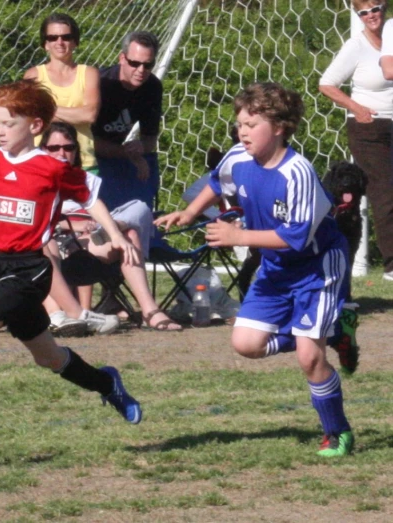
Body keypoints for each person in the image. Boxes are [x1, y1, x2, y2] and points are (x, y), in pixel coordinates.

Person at [0, 80, 143, 457]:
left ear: (34, 126)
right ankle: (106, 383)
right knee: (48, 357)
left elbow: (91, 198)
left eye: (8, 123)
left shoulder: (51, 168)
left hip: (30, 269)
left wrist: (116, 234)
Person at [155, 83, 355, 457]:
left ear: (279, 126)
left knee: (311, 359)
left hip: (318, 266)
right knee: (245, 344)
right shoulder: (237, 158)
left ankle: (338, 432)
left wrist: (238, 235)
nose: (242, 131)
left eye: (251, 123)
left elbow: (295, 237)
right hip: (276, 268)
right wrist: (190, 211)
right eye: (240, 123)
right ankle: (333, 330)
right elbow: (217, 182)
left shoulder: (297, 172)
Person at [43, 122, 181, 331]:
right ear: (43, 150)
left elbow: (96, 207)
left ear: (76, 151)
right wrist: (73, 224)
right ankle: (58, 315)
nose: (62, 153)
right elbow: (34, 221)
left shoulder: (84, 179)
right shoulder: (36, 178)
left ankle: (149, 311)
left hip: (89, 240)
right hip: (56, 242)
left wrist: (106, 227)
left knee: (136, 215)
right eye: (54, 148)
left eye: (68, 147)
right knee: (45, 240)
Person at [321, 0, 393, 282]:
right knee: (384, 192)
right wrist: (356, 108)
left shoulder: (392, 34)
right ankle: (391, 265)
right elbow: (327, 83)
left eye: (374, 8)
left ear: (384, 7)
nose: (370, 15)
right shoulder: (356, 46)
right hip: (369, 127)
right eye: (363, 11)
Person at [92, 31, 162, 211]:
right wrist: (128, 154)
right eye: (134, 63)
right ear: (122, 58)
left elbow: (149, 139)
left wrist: (140, 148)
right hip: (85, 158)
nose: (141, 71)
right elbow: (83, 141)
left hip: (116, 158)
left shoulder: (152, 87)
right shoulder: (100, 83)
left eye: (148, 65)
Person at [24, 13, 100, 171]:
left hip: (83, 162)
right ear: (45, 43)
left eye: (66, 37)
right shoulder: (33, 75)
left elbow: (90, 115)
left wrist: (46, 110)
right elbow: (30, 117)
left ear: (75, 42)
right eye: (52, 37)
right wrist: (75, 114)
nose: (59, 42)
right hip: (41, 162)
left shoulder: (89, 73)